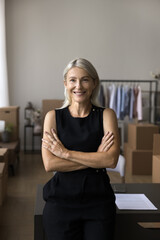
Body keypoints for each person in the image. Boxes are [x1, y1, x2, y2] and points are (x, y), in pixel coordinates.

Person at [42, 58, 120, 240]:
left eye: (85, 79)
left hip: (98, 201)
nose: (79, 86)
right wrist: (96, 158)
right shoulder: (52, 117)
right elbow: (50, 163)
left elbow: (111, 160)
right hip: (61, 202)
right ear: (65, 83)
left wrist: (66, 154)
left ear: (94, 83)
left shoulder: (107, 115)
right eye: (73, 80)